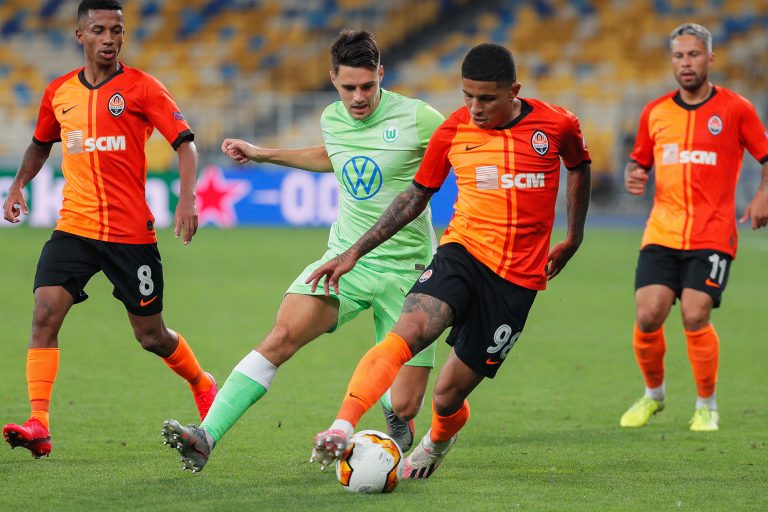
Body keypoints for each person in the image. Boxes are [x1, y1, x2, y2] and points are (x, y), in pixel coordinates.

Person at [160, 29, 445, 473]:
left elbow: (465, 152)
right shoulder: (332, 118)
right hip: (344, 262)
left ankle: (397, 416)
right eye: (348, 87)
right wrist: (263, 154)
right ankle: (205, 437)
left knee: (405, 404)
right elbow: (334, 155)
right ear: (333, 79)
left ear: (381, 74)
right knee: (281, 335)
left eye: (367, 86)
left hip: (410, 270)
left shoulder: (418, 118)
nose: (358, 98)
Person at [307, 42, 592, 478]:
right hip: (461, 253)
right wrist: (353, 253)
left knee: (447, 395)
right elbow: (414, 197)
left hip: (516, 279)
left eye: (487, 98)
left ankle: (437, 442)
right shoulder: (454, 130)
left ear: (514, 91)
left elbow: (579, 166)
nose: (475, 108)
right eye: (468, 96)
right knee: (408, 331)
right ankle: (341, 426)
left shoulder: (557, 124)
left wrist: (574, 236)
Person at [1, 0, 217, 459]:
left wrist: (188, 198)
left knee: (152, 336)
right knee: (44, 313)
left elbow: (186, 144)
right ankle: (39, 423)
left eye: (116, 30)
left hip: (128, 234)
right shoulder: (59, 92)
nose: (109, 39)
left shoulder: (142, 88)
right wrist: (18, 184)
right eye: (99, 30)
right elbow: (40, 144)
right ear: (80, 35)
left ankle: (202, 382)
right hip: (74, 227)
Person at [619, 23, 768, 432]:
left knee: (695, 312)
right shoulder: (655, 112)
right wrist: (634, 175)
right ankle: (654, 395)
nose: (686, 63)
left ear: (710, 59)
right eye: (679, 56)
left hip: (712, 232)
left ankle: (706, 404)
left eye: (694, 55)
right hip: (662, 230)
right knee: (648, 314)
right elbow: (639, 161)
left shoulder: (736, 109)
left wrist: (763, 194)